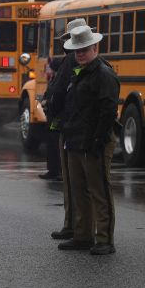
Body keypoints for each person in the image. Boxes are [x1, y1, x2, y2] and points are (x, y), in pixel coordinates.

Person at [56, 25, 120, 256]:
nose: (80, 53)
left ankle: (104, 239)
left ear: (95, 48)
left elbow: (108, 110)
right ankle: (83, 235)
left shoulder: (103, 74)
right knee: (79, 189)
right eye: (77, 50)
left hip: (94, 141)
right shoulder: (81, 71)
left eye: (84, 49)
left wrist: (97, 140)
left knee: (99, 191)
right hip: (76, 139)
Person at [42, 18, 89, 239]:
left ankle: (76, 227)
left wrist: (50, 107)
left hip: (71, 126)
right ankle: (76, 226)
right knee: (76, 183)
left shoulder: (71, 61)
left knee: (75, 184)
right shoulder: (78, 61)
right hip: (74, 126)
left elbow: (59, 92)